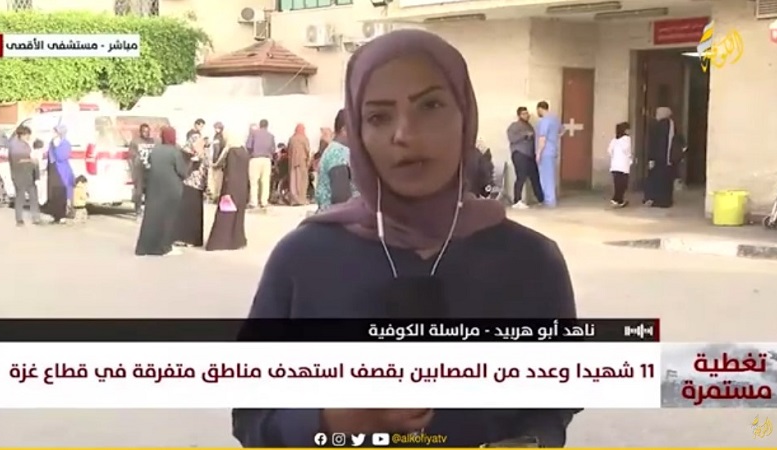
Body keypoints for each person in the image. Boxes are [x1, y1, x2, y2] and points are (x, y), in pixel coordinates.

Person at [232, 29, 578, 448]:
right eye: (379, 116)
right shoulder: (303, 258)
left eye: (430, 106)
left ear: (465, 116)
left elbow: (556, 401)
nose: (405, 134)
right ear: (358, 133)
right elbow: (250, 414)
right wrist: (326, 421)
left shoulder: (531, 261)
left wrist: (531, 441)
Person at [135, 126, 190, 256]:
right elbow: (182, 172)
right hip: (171, 190)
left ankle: (146, 247)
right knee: (168, 219)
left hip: (154, 188)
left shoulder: (155, 150)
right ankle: (165, 247)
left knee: (152, 218)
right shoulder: (175, 152)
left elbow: (149, 165)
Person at [206, 130, 249, 251]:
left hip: (231, 187)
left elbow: (230, 171)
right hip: (242, 187)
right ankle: (237, 241)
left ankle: (220, 242)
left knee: (225, 215)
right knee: (237, 217)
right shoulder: (244, 151)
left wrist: (226, 189)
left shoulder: (232, 152)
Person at [173, 121, 209, 247]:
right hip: (189, 185)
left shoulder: (203, 155)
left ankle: (192, 239)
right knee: (186, 213)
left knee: (193, 213)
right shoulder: (187, 153)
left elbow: (205, 169)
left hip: (195, 186)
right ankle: (184, 238)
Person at [315, 109, 355, 211]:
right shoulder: (338, 155)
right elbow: (342, 201)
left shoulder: (335, 150)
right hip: (338, 217)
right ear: (345, 130)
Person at [643, 107, 682, 208]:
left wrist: (651, 158)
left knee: (656, 179)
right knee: (667, 180)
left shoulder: (657, 126)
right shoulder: (673, 125)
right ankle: (667, 201)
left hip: (659, 158)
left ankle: (656, 200)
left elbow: (654, 143)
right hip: (670, 159)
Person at [508, 106, 543, 209]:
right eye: (523, 114)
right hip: (519, 154)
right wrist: (525, 135)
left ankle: (541, 199)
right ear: (519, 115)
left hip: (530, 155)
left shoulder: (530, 126)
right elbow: (512, 138)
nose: (526, 116)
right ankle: (517, 201)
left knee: (535, 177)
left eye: (527, 113)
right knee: (521, 177)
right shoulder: (514, 126)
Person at [7, 125, 41, 226]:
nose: (29, 137)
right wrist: (31, 160)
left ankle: (36, 218)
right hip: (19, 174)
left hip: (28, 174)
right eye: (27, 135)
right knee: (20, 197)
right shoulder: (15, 145)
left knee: (33, 196)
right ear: (21, 135)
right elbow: (17, 160)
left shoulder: (25, 144)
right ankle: (19, 219)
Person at [42, 124, 75, 224]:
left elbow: (61, 157)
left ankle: (62, 215)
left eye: (54, 132)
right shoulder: (51, 143)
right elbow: (49, 157)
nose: (52, 133)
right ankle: (55, 215)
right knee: (53, 193)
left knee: (61, 192)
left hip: (61, 170)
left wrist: (56, 147)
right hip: (53, 170)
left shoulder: (65, 143)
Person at [535, 101, 561, 208]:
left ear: (540, 109)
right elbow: (561, 131)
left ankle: (549, 200)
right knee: (551, 175)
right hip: (553, 150)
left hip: (545, 151)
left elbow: (542, 138)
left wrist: (538, 153)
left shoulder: (544, 121)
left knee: (545, 177)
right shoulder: (555, 119)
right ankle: (550, 199)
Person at [246, 119, 276, 211]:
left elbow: (248, 146)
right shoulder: (271, 136)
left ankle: (253, 202)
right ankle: (264, 202)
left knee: (254, 182)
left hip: (255, 159)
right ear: (267, 126)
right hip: (266, 160)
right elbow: (273, 149)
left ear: (260, 125)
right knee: (265, 181)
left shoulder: (253, 134)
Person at [128, 123, 155, 218]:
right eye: (144, 131)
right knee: (138, 192)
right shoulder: (135, 142)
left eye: (147, 131)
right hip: (139, 169)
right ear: (140, 132)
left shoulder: (153, 141)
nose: (146, 133)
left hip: (151, 170)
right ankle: (138, 210)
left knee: (150, 192)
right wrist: (132, 170)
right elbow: (131, 157)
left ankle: (149, 211)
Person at [608, 122, 632, 208]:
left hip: (615, 165)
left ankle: (619, 200)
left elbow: (609, 151)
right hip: (623, 165)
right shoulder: (627, 139)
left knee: (617, 184)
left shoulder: (614, 140)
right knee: (623, 184)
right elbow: (627, 150)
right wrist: (630, 159)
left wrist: (614, 157)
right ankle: (616, 199)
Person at [287, 124, 311, 206]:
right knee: (302, 181)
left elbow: (288, 150)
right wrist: (308, 160)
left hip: (292, 162)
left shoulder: (291, 139)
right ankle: (301, 200)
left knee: (293, 180)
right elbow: (307, 150)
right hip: (301, 162)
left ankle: (293, 200)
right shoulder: (304, 138)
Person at [208, 122, 227, 203]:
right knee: (218, 180)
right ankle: (217, 195)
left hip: (216, 161)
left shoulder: (217, 137)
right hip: (220, 161)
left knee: (215, 180)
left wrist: (215, 161)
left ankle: (215, 196)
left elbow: (216, 149)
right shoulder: (223, 137)